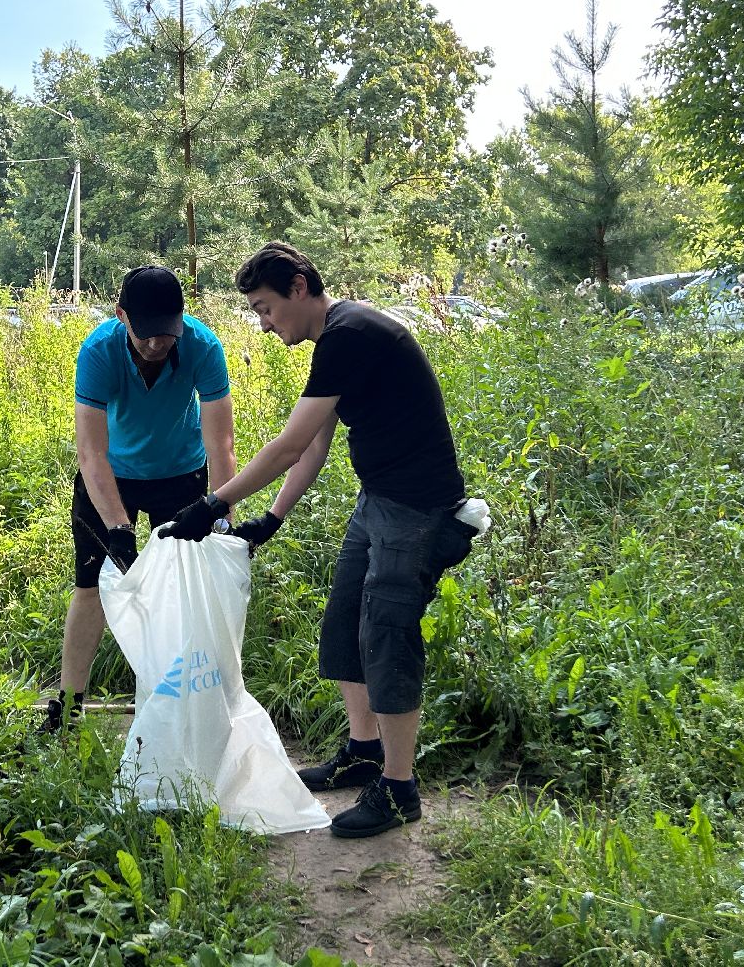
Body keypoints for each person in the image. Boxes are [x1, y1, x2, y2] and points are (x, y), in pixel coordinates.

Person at [159, 242, 479, 838]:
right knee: (345, 623)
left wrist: (214, 504)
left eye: (266, 308)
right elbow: (312, 445)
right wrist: (272, 518)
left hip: (415, 509)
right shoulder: (339, 336)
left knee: (387, 635)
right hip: (378, 500)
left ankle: (399, 789)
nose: (263, 324)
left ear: (299, 287)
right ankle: (364, 753)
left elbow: (287, 444)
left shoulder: (350, 334)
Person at [43, 264, 236, 731]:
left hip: (181, 474)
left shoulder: (204, 347)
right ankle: (67, 707)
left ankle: (180, 703)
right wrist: (117, 528)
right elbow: (91, 452)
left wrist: (221, 513)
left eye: (167, 331)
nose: (156, 343)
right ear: (121, 316)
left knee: (183, 591)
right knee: (90, 586)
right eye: (145, 331)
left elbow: (220, 445)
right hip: (112, 476)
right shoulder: (99, 351)